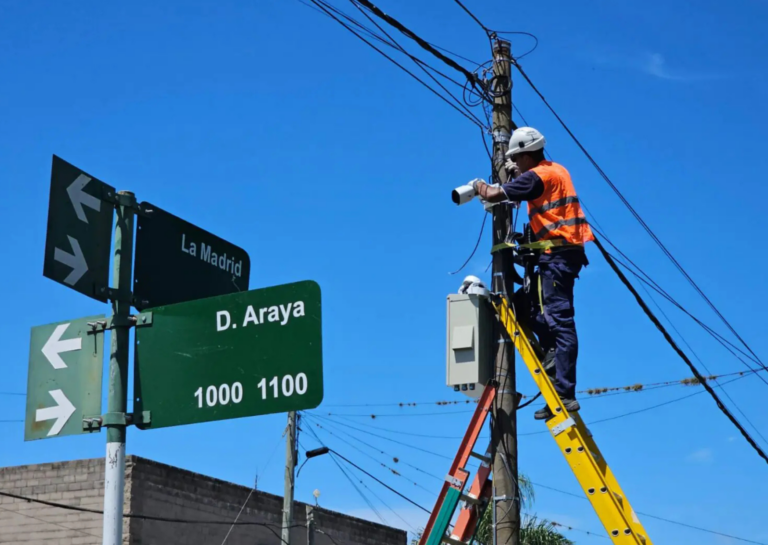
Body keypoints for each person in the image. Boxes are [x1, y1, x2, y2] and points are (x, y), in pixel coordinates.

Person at [472, 126, 594, 420]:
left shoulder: (540, 176)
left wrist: (479, 187)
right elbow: (523, 190)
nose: (516, 162)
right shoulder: (553, 171)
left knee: (559, 319)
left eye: (517, 157)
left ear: (527, 154)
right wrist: (515, 175)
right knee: (521, 308)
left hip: (558, 257)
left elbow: (493, 193)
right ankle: (552, 360)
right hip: (557, 256)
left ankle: (564, 393)